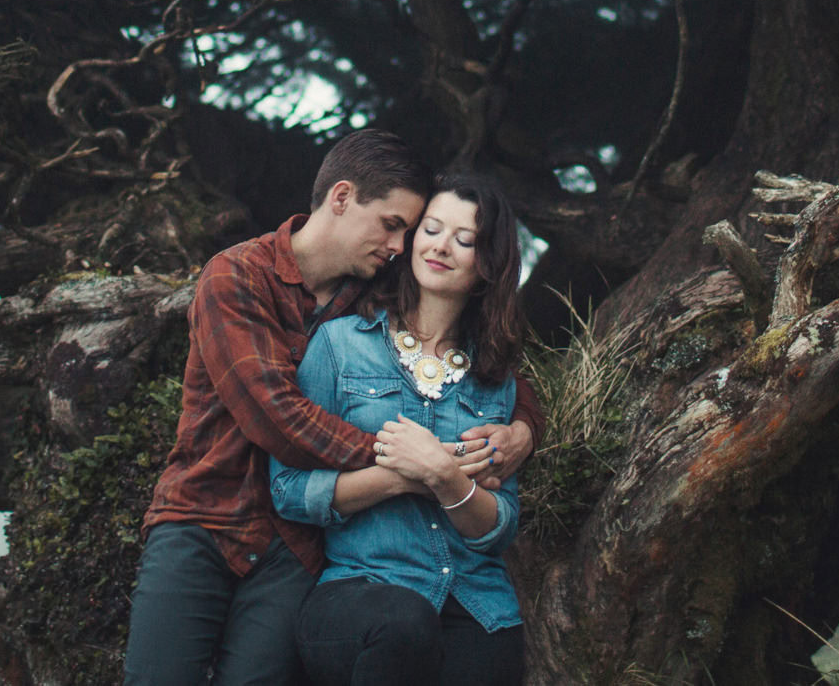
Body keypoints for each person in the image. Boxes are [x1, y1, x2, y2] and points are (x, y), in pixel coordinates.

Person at [125, 134, 542, 686]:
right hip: (205, 514)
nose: (402, 245)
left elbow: (482, 362)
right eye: (396, 225)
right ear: (342, 197)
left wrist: (524, 429)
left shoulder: (364, 290)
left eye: (408, 232)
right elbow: (280, 418)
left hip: (291, 546)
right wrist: (417, 464)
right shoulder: (237, 277)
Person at [270, 175, 531, 686]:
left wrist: (445, 477)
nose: (441, 246)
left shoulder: (495, 378)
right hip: (360, 590)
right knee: (403, 625)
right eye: (431, 229)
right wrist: (405, 476)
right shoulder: (340, 345)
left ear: (487, 267)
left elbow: (500, 525)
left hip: (477, 601)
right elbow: (288, 490)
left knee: (495, 653)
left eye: (465, 239)